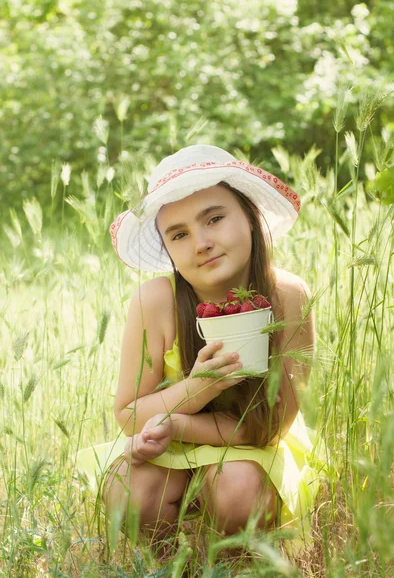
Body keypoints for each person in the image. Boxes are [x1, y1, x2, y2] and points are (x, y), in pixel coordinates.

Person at [77, 144, 325, 553]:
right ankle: (173, 562)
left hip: (251, 448)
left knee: (237, 491)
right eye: (179, 234)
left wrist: (176, 422)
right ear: (167, 248)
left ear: (249, 216)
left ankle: (233, 557)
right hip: (169, 448)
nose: (202, 242)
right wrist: (199, 388)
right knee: (130, 491)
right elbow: (127, 413)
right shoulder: (156, 302)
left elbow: (270, 427)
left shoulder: (287, 296)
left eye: (214, 218)